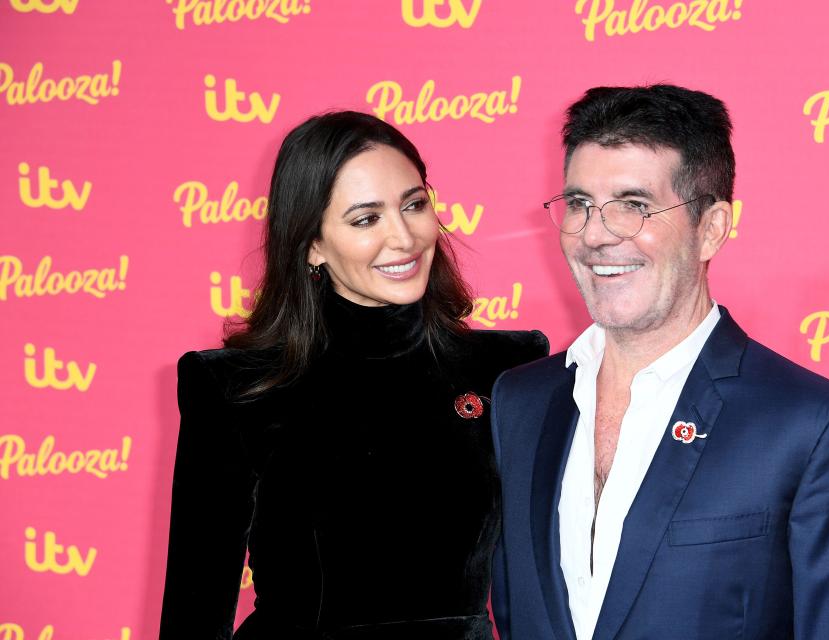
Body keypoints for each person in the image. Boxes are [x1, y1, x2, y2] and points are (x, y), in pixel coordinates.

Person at [490, 85, 829, 640]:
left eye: (634, 206)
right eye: (580, 204)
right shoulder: (519, 403)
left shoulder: (813, 427)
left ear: (711, 228)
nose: (595, 234)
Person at [159, 111, 548, 639]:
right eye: (366, 219)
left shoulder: (507, 368)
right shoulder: (237, 389)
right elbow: (195, 607)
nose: (404, 236)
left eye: (414, 205)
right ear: (311, 245)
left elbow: (543, 574)